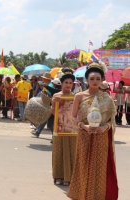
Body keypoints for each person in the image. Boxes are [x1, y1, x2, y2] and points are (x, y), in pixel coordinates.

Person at [67, 61, 118, 200]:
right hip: (84, 135)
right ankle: (82, 195)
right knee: (83, 165)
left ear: (102, 80)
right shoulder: (79, 96)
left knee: (100, 168)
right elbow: (73, 117)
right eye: (92, 79)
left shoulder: (107, 98)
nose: (95, 81)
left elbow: (111, 120)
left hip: (101, 136)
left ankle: (98, 196)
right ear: (86, 80)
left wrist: (104, 128)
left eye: (98, 79)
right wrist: (84, 126)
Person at [51, 67, 77, 186]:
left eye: (70, 83)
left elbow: (77, 113)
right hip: (59, 127)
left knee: (71, 151)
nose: (68, 85)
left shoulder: (76, 97)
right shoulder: (56, 95)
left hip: (71, 129)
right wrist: (54, 103)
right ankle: (58, 176)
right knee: (58, 151)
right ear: (61, 83)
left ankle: (69, 177)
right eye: (66, 82)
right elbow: (52, 112)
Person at [31, 72, 55, 138]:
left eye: (43, 78)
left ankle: (38, 132)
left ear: (45, 79)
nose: (42, 79)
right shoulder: (48, 85)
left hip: (49, 105)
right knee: (49, 123)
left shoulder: (50, 86)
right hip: (47, 105)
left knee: (45, 119)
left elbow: (48, 96)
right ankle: (54, 136)